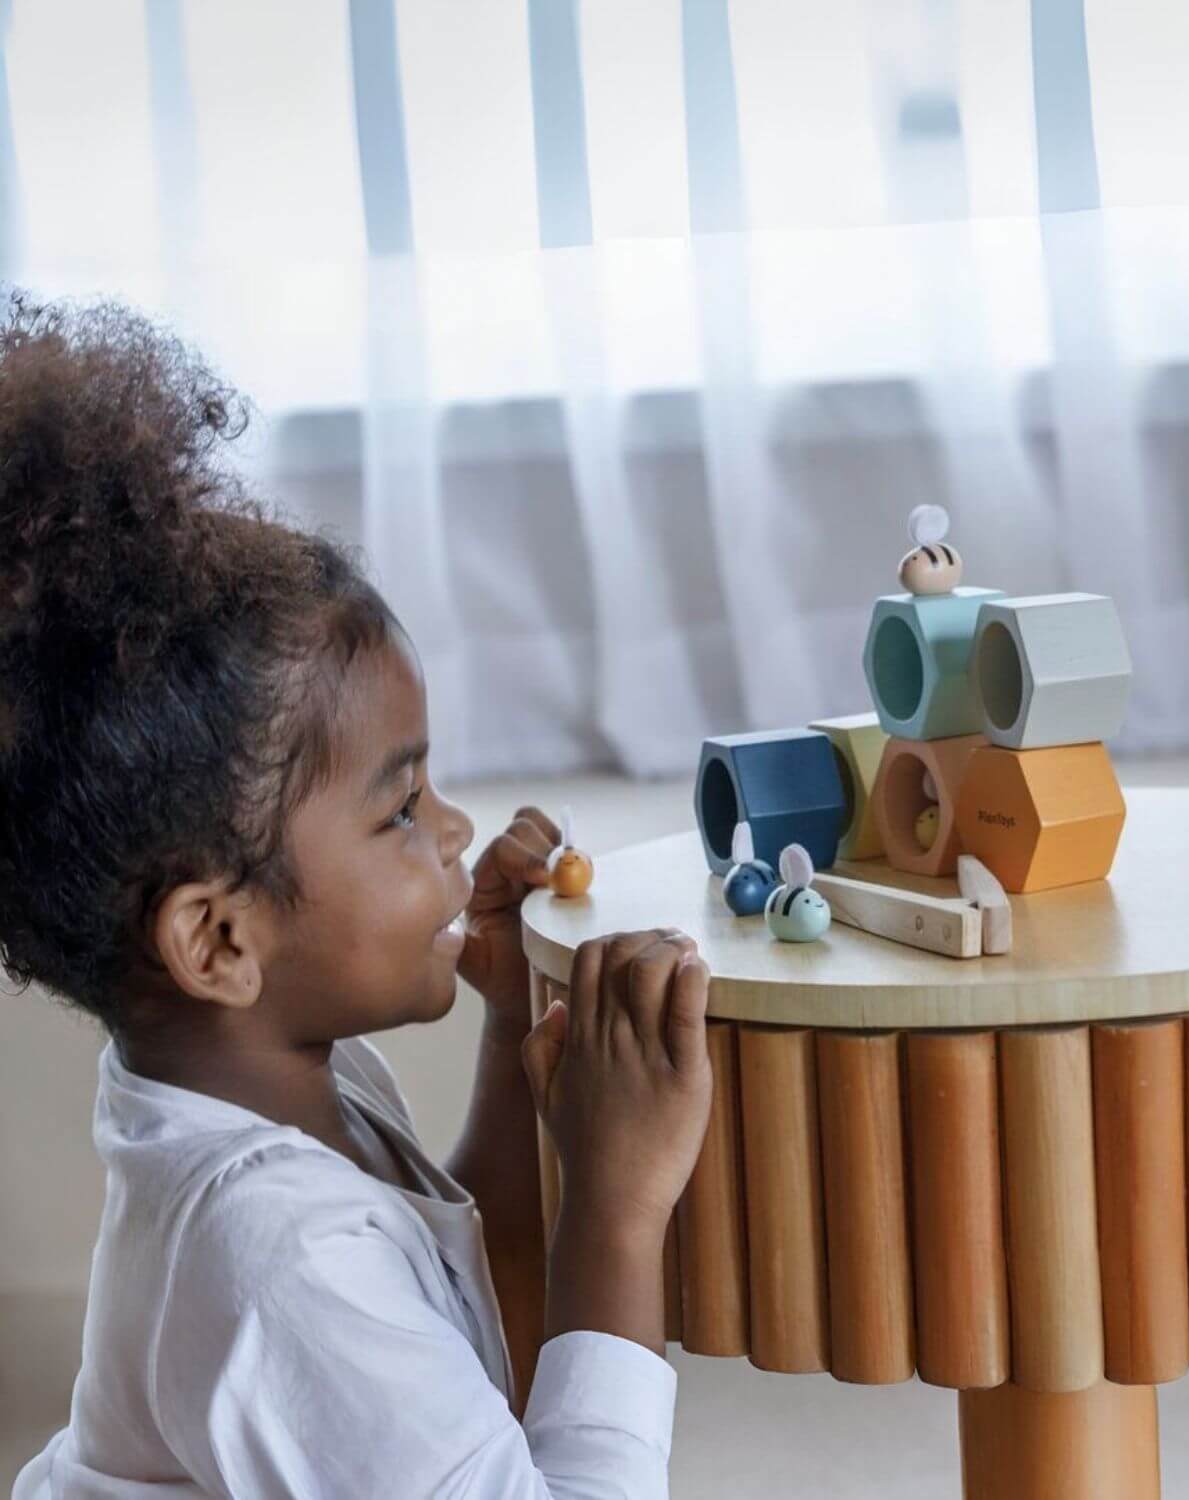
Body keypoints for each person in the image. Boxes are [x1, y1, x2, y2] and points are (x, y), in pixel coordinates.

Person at [0, 291, 712, 1498]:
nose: (454, 833)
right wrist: (616, 1203)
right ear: (219, 940)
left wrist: (503, 1025)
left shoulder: (266, 1086)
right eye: (399, 808)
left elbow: (462, 1317)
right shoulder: (275, 1260)